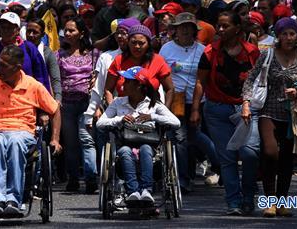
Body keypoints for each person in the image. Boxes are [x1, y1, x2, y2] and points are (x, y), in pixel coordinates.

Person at [0, 45, 62, 219]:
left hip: (22, 131)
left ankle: (14, 200)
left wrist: (55, 139)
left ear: (17, 67)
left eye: (4, 65)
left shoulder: (33, 86)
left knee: (15, 142)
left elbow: (55, 110)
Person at [242, 18, 297, 218]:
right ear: (278, 36)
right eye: (284, 34)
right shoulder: (268, 55)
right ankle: (270, 201)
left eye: (292, 33)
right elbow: (251, 78)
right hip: (269, 111)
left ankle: (281, 202)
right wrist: (246, 103)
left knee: (287, 160)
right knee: (270, 153)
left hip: (294, 115)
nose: (289, 38)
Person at [193, 9, 260, 216]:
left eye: (225, 26)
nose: (220, 29)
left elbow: (259, 82)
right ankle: (234, 202)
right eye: (218, 25)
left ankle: (249, 196)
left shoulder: (251, 52)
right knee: (227, 158)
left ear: (237, 28)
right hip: (216, 110)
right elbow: (200, 82)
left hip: (246, 109)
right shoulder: (209, 52)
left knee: (250, 154)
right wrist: (196, 109)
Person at [96, 66, 180, 204]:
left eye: (128, 81)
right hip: (125, 143)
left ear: (139, 85)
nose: (123, 83)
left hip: (149, 145)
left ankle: (146, 190)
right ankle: (133, 191)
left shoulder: (154, 104)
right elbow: (100, 123)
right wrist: (119, 119)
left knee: (145, 149)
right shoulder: (118, 102)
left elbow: (176, 122)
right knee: (124, 151)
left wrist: (152, 117)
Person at [159, 12, 218, 192]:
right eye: (181, 27)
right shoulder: (166, 49)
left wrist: (196, 107)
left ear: (194, 30)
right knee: (181, 139)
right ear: (175, 30)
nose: (185, 30)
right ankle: (183, 180)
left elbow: (206, 79)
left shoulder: (202, 50)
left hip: (197, 100)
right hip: (175, 100)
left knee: (195, 137)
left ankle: (219, 163)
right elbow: (161, 75)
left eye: (189, 27)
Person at [56, 18, 98, 194]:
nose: (67, 34)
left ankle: (91, 177)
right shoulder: (58, 54)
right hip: (66, 104)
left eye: (71, 30)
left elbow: (97, 77)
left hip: (86, 103)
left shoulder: (94, 54)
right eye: (65, 30)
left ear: (81, 33)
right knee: (71, 144)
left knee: (87, 140)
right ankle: (73, 178)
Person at [0, 12, 50, 92]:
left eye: (10, 28)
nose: (6, 31)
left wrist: (44, 97)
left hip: (26, 99)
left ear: (18, 30)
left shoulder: (30, 49)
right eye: (3, 27)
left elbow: (41, 76)